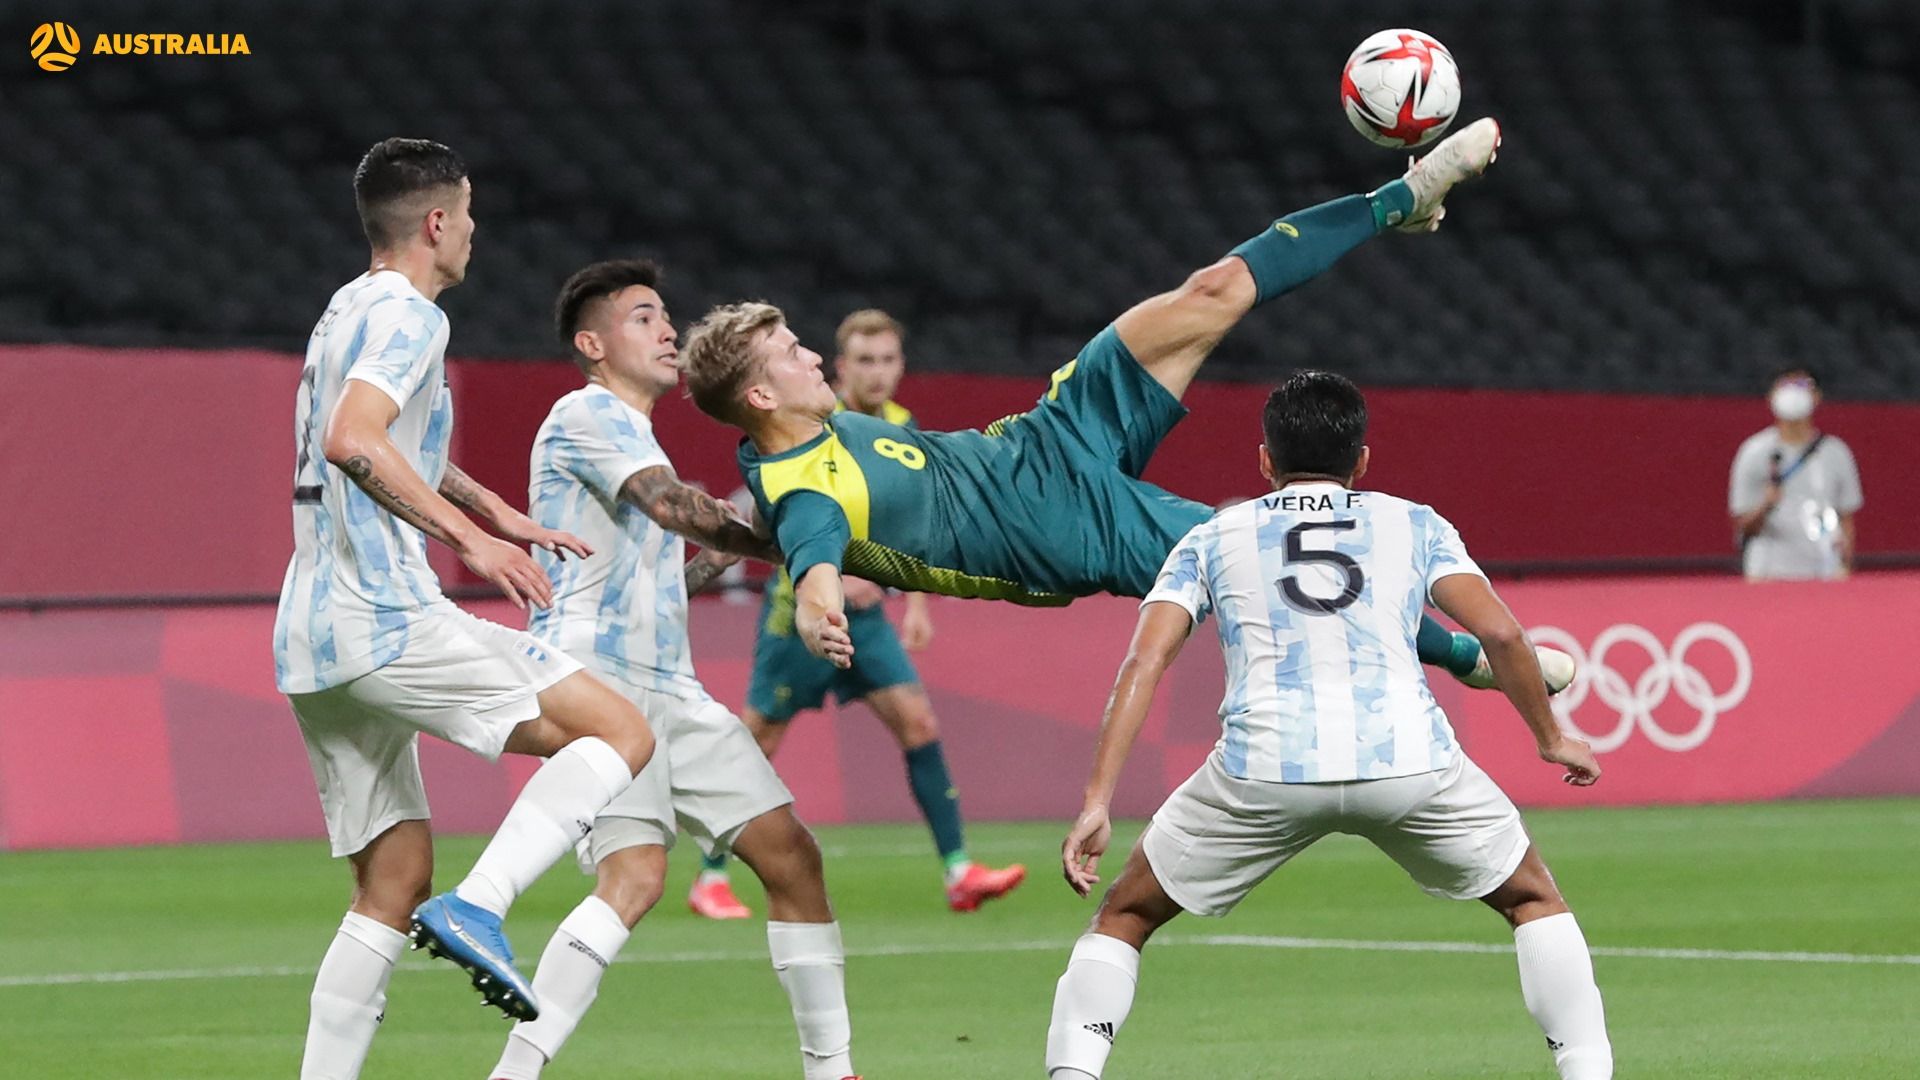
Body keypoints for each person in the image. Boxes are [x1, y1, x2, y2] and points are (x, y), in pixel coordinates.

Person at [679, 118, 1568, 697]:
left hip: (1042, 438)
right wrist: (816, 608)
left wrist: (714, 540)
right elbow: (812, 557)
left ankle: (1400, 200)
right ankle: (1466, 659)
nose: (810, 354)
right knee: (1267, 554)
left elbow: (754, 502)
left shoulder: (777, 452)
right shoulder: (807, 500)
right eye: (791, 354)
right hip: (1061, 534)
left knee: (1210, 290)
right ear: (761, 394)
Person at [1044, 370, 1612, 1080]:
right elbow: (1501, 634)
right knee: (1531, 898)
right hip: (1409, 762)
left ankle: (1073, 1074)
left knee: (1124, 915)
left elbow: (1144, 661)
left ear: (1264, 460)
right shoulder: (1415, 523)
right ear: (1363, 461)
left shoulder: (1212, 537)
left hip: (1263, 770)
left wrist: (1098, 801)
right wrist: (1550, 736)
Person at [273, 139, 657, 1077]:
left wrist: (492, 512)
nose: (476, 234)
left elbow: (391, 438)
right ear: (438, 223)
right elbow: (354, 441)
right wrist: (468, 543)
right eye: (471, 216)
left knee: (391, 881)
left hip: (310, 634)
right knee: (618, 734)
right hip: (385, 616)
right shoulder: (413, 317)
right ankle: (482, 906)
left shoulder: (345, 309)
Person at [488, 259, 858, 1080]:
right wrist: (789, 536)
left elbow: (672, 566)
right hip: (599, 684)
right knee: (637, 875)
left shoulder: (634, 434)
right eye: (643, 316)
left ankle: (832, 1070)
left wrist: (778, 530)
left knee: (791, 856)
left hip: (670, 688)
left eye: (665, 315)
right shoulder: (585, 413)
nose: (666, 330)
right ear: (592, 344)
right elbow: (677, 509)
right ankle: (514, 1073)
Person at [692, 309, 1026, 920]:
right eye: (864, 361)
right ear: (841, 367)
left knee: (918, 725)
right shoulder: (808, 419)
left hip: (868, 621)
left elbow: (916, 520)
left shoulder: (902, 426)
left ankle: (959, 870)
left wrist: (917, 602)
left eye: (888, 360)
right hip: (804, 613)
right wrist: (834, 579)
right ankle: (709, 875)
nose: (877, 374)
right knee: (756, 742)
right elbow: (793, 513)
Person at [1729, 365, 1863, 581]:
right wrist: (1766, 505)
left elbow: (1846, 517)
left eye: (1802, 385)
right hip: (1768, 573)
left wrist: (1845, 564)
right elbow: (1742, 524)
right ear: (1771, 396)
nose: (1793, 393)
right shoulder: (1753, 452)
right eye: (1785, 386)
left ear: (1817, 396)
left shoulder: (1836, 452)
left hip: (1824, 573)